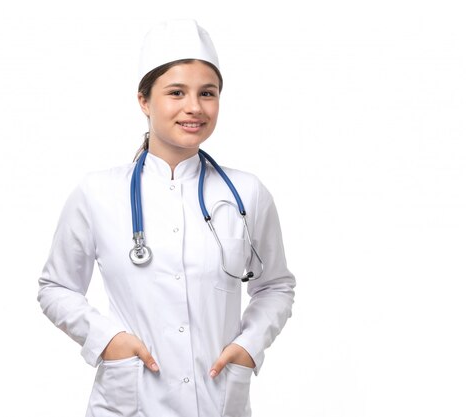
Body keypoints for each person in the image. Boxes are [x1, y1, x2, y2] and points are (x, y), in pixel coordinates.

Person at [37, 19, 296, 417]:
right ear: (144, 101)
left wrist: (249, 346)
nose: (194, 107)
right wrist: (107, 339)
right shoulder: (98, 193)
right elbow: (55, 287)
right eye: (176, 92)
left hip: (218, 399)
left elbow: (275, 285)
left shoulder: (247, 193)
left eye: (207, 93)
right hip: (129, 401)